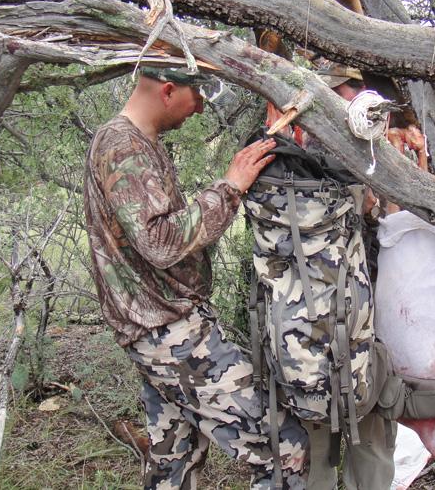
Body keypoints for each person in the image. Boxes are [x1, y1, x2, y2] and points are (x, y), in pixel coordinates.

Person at [83, 66, 309, 489]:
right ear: (168, 91)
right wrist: (231, 186)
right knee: (285, 446)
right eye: (198, 95)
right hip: (170, 334)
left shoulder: (135, 142)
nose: (202, 107)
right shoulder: (123, 146)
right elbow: (161, 241)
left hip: (157, 331)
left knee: (176, 460)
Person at [264, 63, 398, 490]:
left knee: (368, 435)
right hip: (319, 327)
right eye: (347, 89)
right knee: (320, 437)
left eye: (358, 89)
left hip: (367, 318)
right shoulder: (286, 153)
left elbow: (390, 215)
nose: (355, 99)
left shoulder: (373, 143)